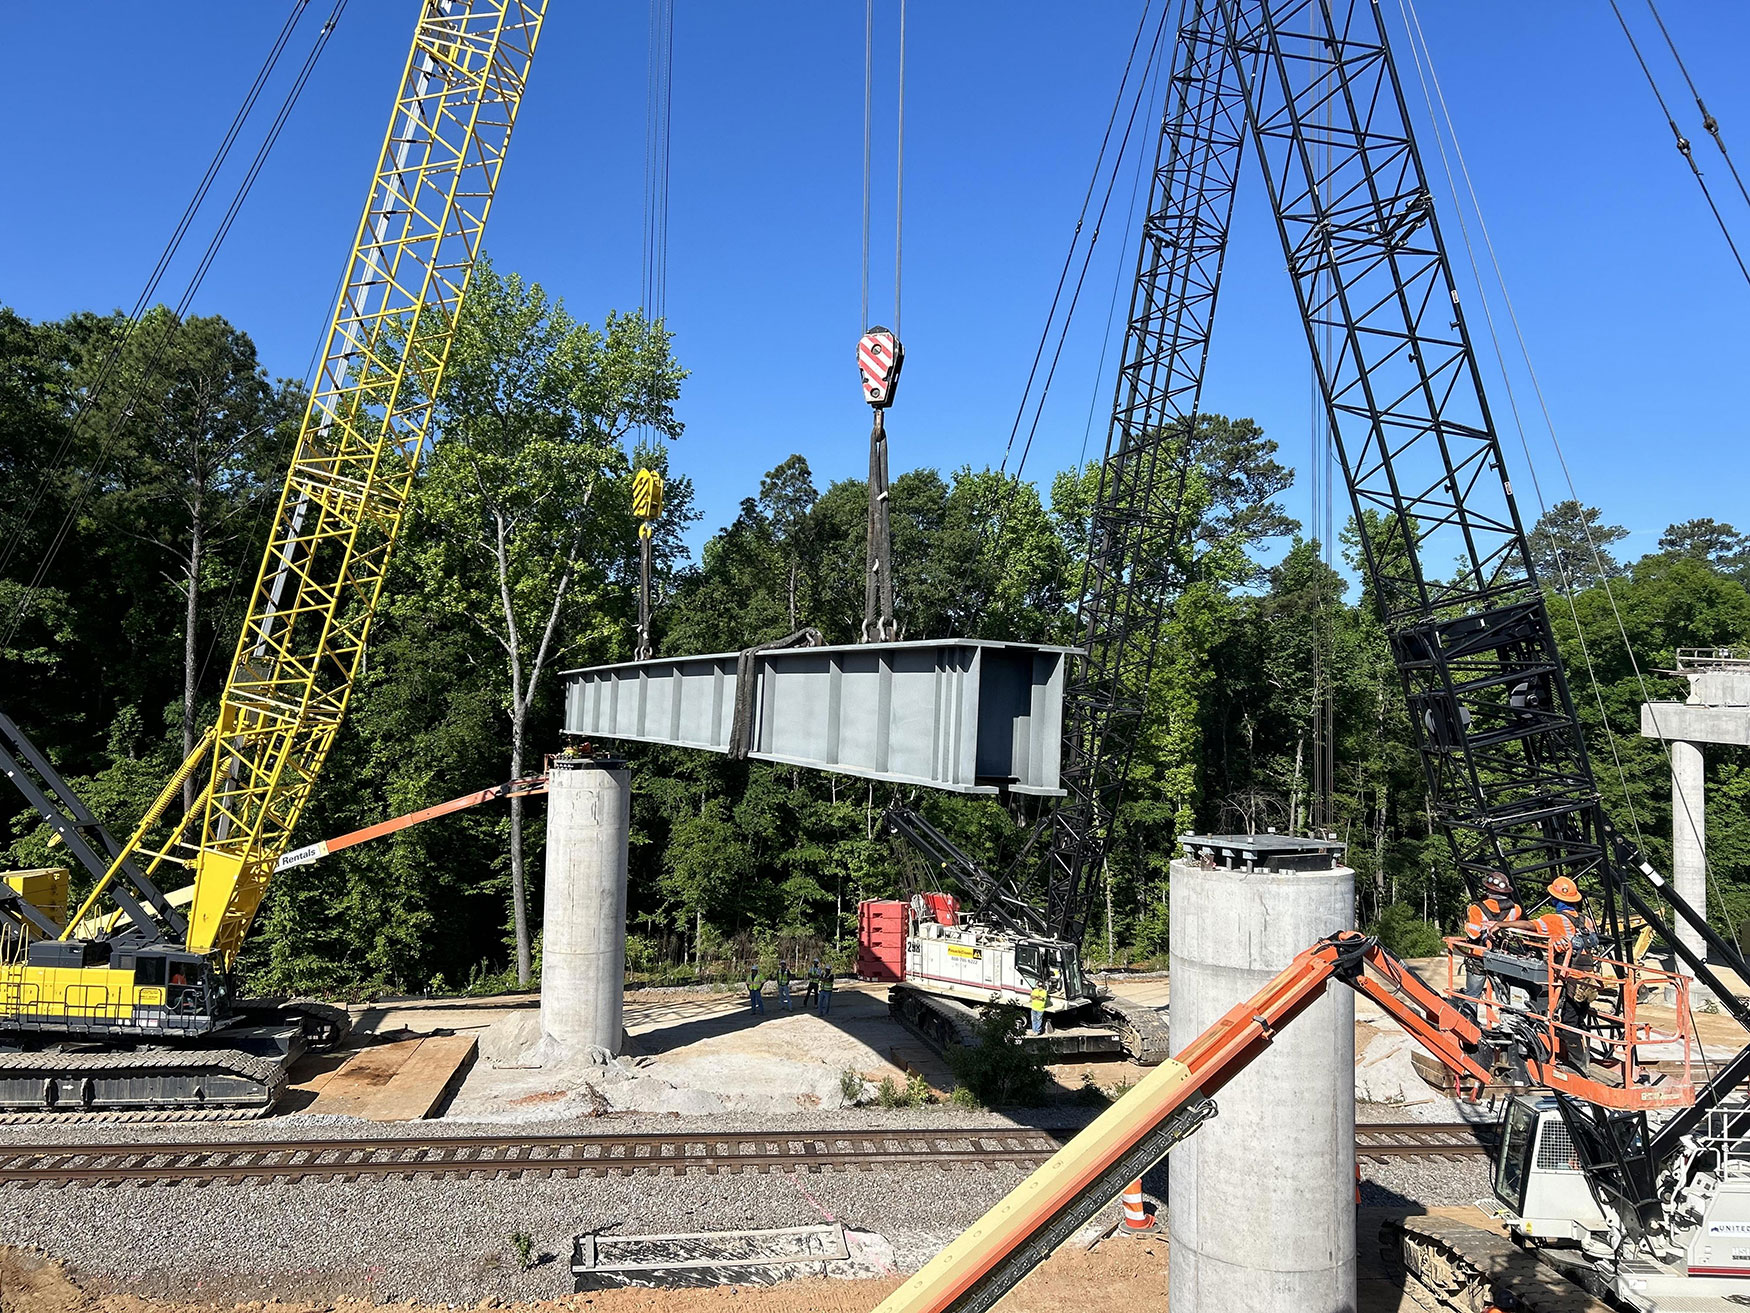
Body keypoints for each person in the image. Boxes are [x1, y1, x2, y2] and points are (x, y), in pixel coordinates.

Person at [1526, 876, 1598, 1077]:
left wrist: (1502, 926)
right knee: (1580, 1016)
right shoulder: (1587, 921)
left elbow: (1530, 926)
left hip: (1568, 978)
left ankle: (1578, 1066)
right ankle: (1583, 1057)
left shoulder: (1554, 919)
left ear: (1556, 900)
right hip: (1587, 977)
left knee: (1568, 1020)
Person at [1460, 871, 1522, 1024]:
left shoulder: (1476, 908)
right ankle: (1509, 1025)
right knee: (1506, 995)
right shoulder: (1516, 909)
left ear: (1488, 890)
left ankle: (1469, 1023)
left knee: (1472, 995)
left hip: (1479, 957)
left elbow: (1473, 934)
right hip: (1503, 957)